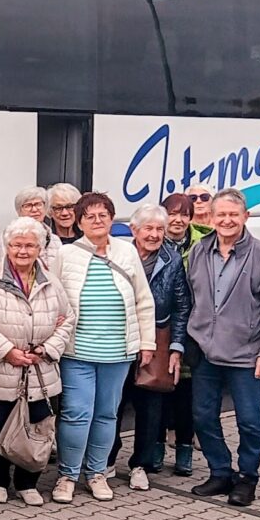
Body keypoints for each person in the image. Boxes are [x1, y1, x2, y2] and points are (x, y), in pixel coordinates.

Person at [48, 192, 155, 504]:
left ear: (111, 219)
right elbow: (54, 298)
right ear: (80, 222)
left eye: (103, 215)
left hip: (117, 351)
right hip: (76, 350)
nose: (97, 221)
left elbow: (143, 300)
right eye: (90, 216)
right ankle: (67, 475)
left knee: (107, 415)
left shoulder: (127, 252)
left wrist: (146, 343)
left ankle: (96, 473)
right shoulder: (66, 255)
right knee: (76, 413)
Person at [187, 189, 260, 507]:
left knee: (249, 420)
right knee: (203, 416)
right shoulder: (200, 252)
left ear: (246, 217)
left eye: (234, 214)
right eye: (221, 215)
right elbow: (192, 298)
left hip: (247, 355)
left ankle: (246, 478)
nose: (227, 220)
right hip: (205, 352)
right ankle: (220, 472)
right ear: (211, 218)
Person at [0, 217, 75, 506]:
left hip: (40, 371)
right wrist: (7, 351)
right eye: (16, 245)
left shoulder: (51, 281)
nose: (23, 251)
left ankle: (28, 483)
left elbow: (67, 320)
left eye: (29, 245)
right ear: (6, 246)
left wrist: (46, 349)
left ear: (40, 248)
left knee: (38, 428)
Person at [106, 204, 191, 492]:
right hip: (119, 336)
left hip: (157, 338)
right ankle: (106, 460)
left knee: (151, 406)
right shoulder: (117, 253)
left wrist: (176, 348)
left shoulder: (172, 259)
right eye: (148, 229)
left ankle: (139, 465)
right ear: (134, 230)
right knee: (113, 403)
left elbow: (181, 306)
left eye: (159, 229)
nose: (154, 235)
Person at [159, 193, 208, 477]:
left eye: (184, 214)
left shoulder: (202, 245)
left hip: (194, 327)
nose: (177, 220)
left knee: (187, 392)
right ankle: (155, 447)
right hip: (163, 326)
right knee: (159, 387)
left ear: (191, 218)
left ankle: (185, 450)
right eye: (172, 213)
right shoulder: (153, 240)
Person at [14, 186, 60, 268]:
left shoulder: (55, 240)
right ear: (19, 211)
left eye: (38, 204)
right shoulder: (10, 237)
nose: (34, 209)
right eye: (28, 205)